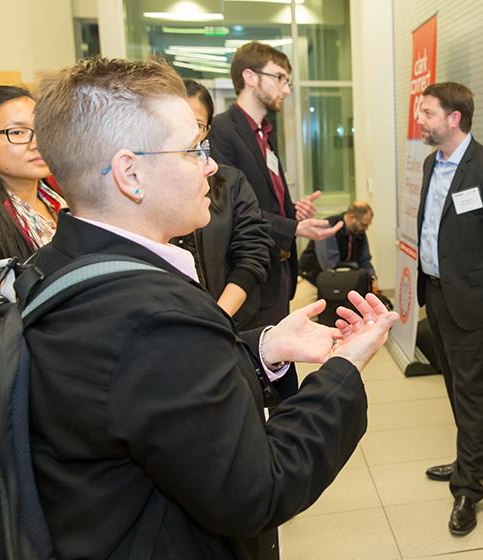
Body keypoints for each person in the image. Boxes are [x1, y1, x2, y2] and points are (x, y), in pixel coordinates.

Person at [29, 56, 398, 560]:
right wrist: (342, 369)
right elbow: (258, 488)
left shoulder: (51, 265)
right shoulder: (154, 317)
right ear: (130, 174)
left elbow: (148, 395)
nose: (210, 166)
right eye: (191, 151)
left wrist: (262, 346)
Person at [416, 82, 483, 535]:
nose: (420, 121)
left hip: (472, 297)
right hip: (437, 292)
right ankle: (475, 455)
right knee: (458, 384)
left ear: (454, 118)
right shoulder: (430, 163)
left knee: (473, 390)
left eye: (427, 113)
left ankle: (468, 488)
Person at [209, 41, 341, 397]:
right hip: (250, 272)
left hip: (277, 269)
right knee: (259, 372)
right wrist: (293, 227)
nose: (286, 87)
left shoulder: (264, 133)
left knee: (282, 367)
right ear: (249, 77)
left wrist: (291, 211)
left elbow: (259, 196)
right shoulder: (223, 129)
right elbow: (231, 209)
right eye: (280, 77)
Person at [171, 79, 273, 330]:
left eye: (197, 125)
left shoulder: (230, 182)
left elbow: (253, 252)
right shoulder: (153, 187)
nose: (189, 134)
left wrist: (217, 317)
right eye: (178, 123)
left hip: (234, 323)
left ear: (207, 130)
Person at [0, 86, 64, 301]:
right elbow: (0, 310)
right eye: (17, 132)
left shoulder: (62, 203)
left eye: (42, 129)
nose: (37, 144)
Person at [298, 200, 375, 287]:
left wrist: (372, 277)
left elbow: (364, 260)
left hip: (339, 280)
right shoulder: (329, 226)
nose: (366, 228)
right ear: (352, 217)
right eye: (364, 224)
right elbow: (329, 264)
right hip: (311, 279)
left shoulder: (359, 232)